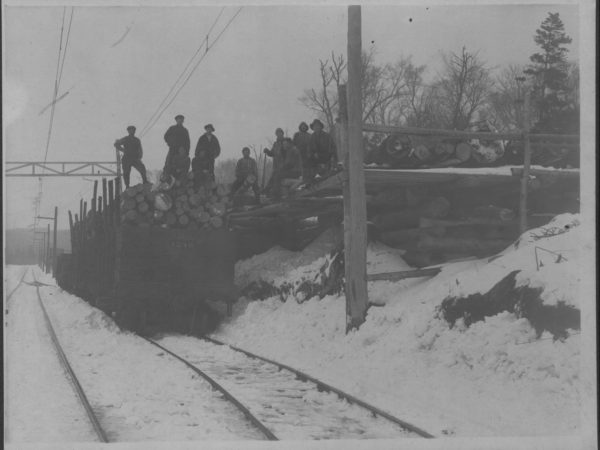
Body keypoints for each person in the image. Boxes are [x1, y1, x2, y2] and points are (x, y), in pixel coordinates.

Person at [263, 128, 286, 199]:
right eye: (277, 133)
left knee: (277, 178)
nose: (279, 135)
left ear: (282, 133)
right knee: (273, 178)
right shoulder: (275, 144)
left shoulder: (286, 142)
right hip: (276, 165)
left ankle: (275, 194)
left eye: (280, 133)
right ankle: (267, 191)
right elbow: (272, 153)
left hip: (284, 164)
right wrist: (267, 151)